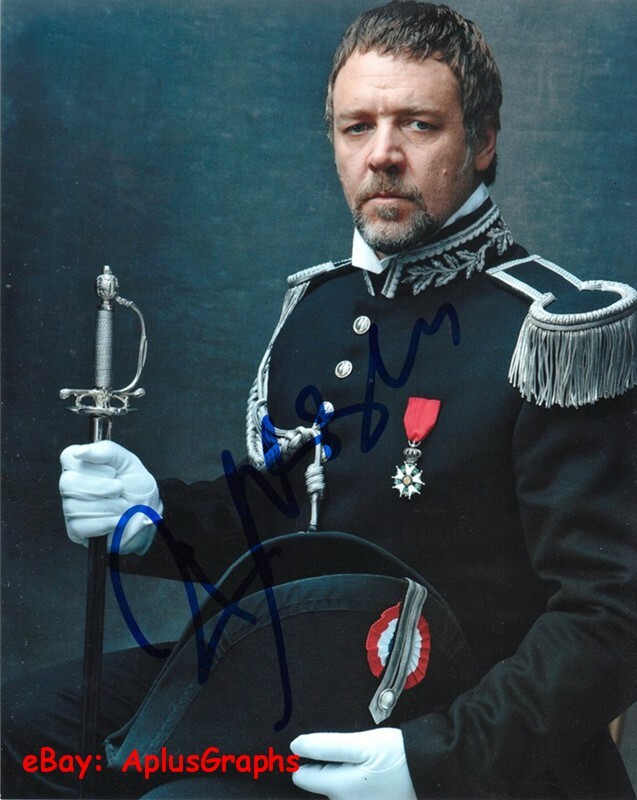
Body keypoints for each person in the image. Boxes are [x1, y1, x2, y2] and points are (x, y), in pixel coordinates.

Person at [4, 1, 637, 798]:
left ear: (481, 142)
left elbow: (611, 615)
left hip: (462, 726)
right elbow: (288, 519)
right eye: (356, 127)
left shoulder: (552, 335)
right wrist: (151, 518)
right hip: (300, 679)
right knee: (27, 727)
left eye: (417, 125)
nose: (382, 155)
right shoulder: (320, 309)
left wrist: (433, 758)